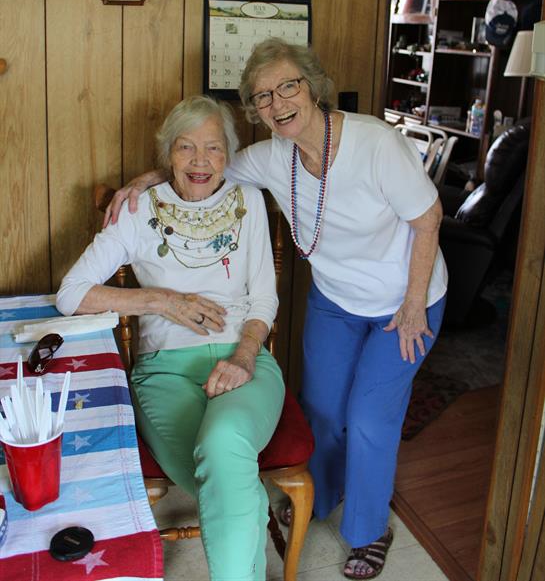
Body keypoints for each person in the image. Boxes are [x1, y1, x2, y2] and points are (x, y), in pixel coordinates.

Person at [105, 39, 448, 580]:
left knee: (367, 419)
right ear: (254, 109)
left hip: (406, 298)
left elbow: (428, 219)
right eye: (262, 96)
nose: (278, 102)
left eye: (288, 86)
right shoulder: (269, 157)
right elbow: (201, 165)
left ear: (312, 87)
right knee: (325, 410)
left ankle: (366, 531)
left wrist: (412, 305)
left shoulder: (376, 144)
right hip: (336, 299)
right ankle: (323, 498)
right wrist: (149, 180)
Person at [56, 95, 285, 581]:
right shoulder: (137, 210)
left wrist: (245, 355)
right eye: (186, 148)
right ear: (168, 154)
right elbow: (70, 295)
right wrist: (160, 300)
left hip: (244, 361)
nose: (200, 161)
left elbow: (264, 298)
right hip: (163, 372)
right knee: (231, 483)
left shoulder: (249, 201)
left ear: (230, 153)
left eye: (213, 148)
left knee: (222, 448)